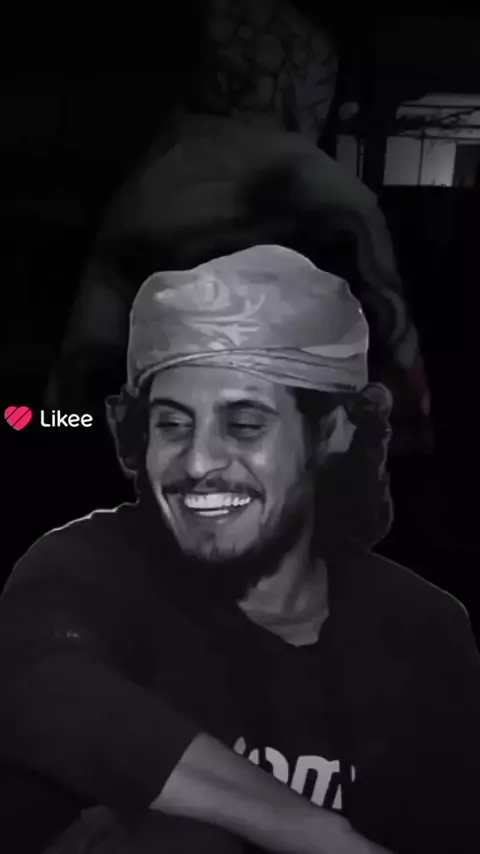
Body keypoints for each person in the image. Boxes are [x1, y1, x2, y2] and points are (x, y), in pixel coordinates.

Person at [0, 245, 478, 854]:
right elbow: (40, 686)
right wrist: (315, 832)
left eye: (245, 425)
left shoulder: (422, 630)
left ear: (330, 432)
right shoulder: (91, 569)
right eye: (172, 425)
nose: (199, 461)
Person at [45, 0, 430, 427]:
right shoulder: (333, 193)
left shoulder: (149, 185)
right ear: (308, 84)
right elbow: (399, 369)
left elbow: (85, 368)